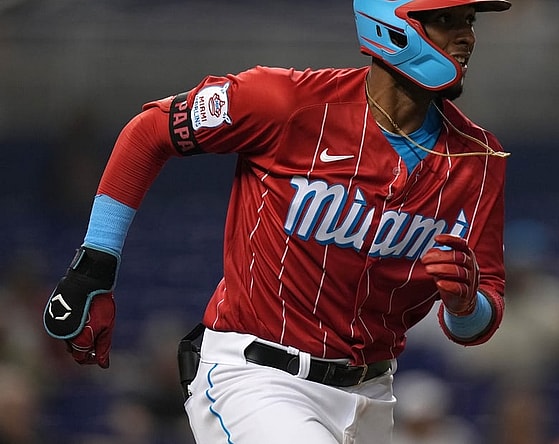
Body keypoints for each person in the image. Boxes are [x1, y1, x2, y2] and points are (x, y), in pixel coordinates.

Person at [42, 1, 511, 443]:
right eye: (448, 20)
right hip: (259, 377)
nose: (466, 37)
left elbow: (480, 316)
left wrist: (466, 305)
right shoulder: (286, 103)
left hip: (372, 397)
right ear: (392, 22)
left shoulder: (479, 158)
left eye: (469, 21)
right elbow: (148, 133)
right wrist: (94, 268)